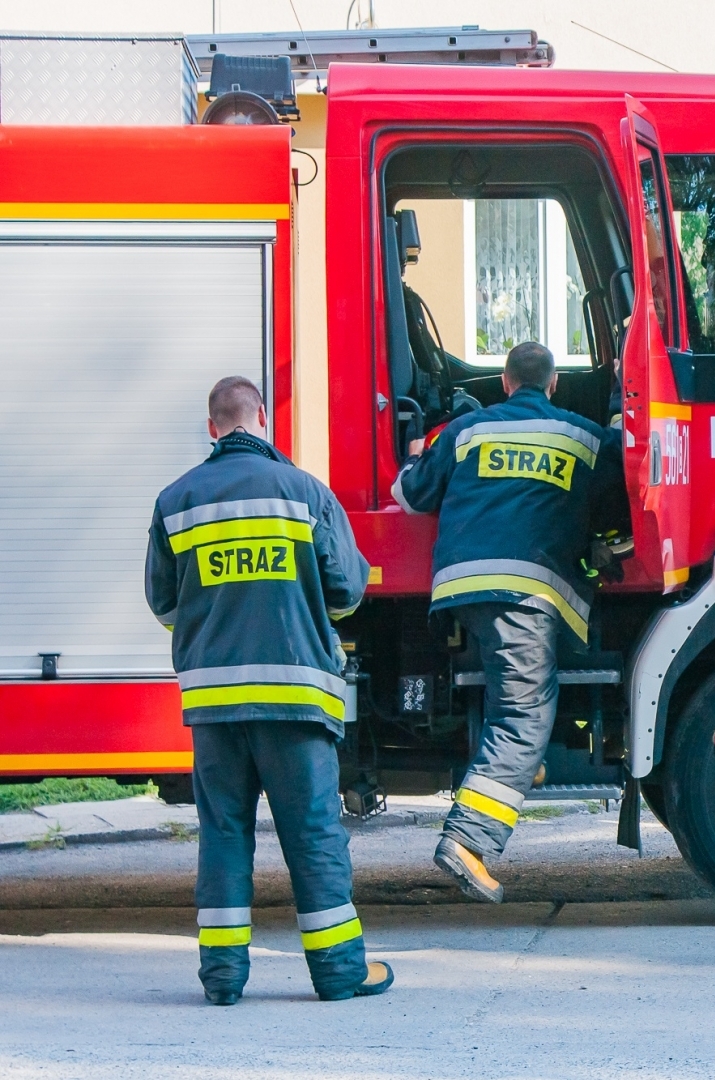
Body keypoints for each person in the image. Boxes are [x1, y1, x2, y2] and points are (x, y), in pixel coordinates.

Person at [145, 376, 391, 1005]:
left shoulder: (176, 501)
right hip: (295, 698)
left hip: (214, 706)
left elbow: (164, 604)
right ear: (262, 419)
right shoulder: (305, 493)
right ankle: (339, 973)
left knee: (224, 834)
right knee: (312, 833)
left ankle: (223, 979)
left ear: (212, 427)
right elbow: (348, 591)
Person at [393, 342, 619, 903]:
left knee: (513, 708)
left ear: (504, 380)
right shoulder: (581, 436)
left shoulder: (467, 431)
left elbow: (411, 496)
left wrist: (418, 454)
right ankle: (468, 841)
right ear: (555, 384)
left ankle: (521, 768)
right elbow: (625, 493)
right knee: (523, 718)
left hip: (462, 589)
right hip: (527, 593)